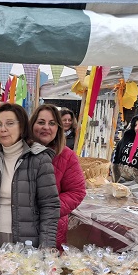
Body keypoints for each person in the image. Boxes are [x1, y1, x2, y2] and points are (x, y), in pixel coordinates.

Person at [0, 103, 60, 254]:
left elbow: (50, 205)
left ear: (22, 127)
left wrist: (47, 245)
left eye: (10, 123)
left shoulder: (39, 159)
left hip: (24, 240)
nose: (3, 129)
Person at [30, 104, 86, 250]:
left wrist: (48, 209)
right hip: (15, 224)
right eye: (41, 122)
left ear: (58, 128)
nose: (46, 127)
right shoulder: (18, 150)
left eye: (52, 123)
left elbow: (76, 191)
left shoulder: (67, 156)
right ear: (32, 125)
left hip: (50, 228)